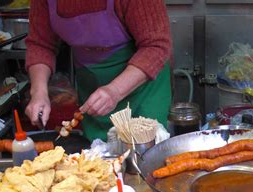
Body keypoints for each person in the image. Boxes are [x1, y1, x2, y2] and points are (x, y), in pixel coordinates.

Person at [25, 0, 172, 141]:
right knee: (97, 158)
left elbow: (156, 46)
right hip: (92, 86)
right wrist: (39, 92)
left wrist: (115, 90)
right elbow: (40, 44)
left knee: (143, 155)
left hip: (142, 88)